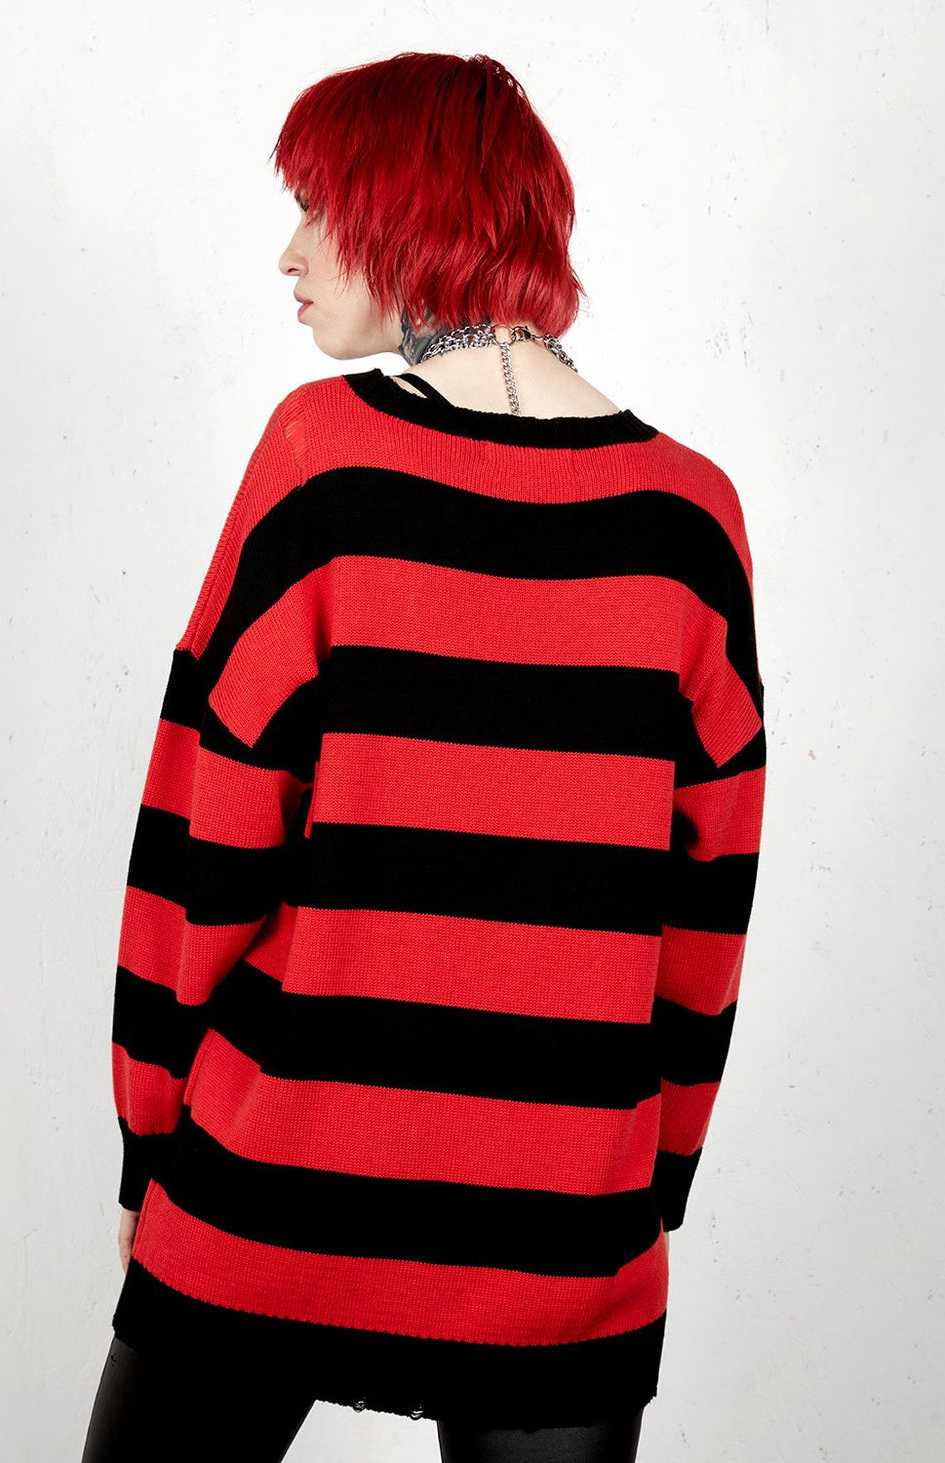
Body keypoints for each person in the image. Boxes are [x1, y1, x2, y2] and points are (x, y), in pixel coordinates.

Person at [81, 50, 765, 1463]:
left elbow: (202, 828)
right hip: (561, 1229)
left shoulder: (323, 462)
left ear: (406, 210)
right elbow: (706, 914)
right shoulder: (692, 522)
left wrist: (150, 1140)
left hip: (270, 1196)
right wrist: (647, 1175)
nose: (289, 252)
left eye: (316, 207)